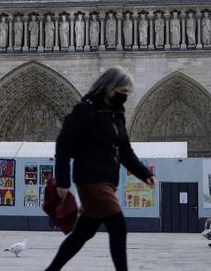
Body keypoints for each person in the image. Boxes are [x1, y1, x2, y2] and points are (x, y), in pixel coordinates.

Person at [45, 67, 155, 271]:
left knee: (83, 234)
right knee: (118, 226)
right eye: (122, 91)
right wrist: (62, 181)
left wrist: (144, 173)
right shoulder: (86, 109)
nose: (125, 96)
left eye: (128, 93)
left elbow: (124, 150)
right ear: (108, 87)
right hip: (90, 180)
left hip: (107, 181)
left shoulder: (116, 115)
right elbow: (64, 144)